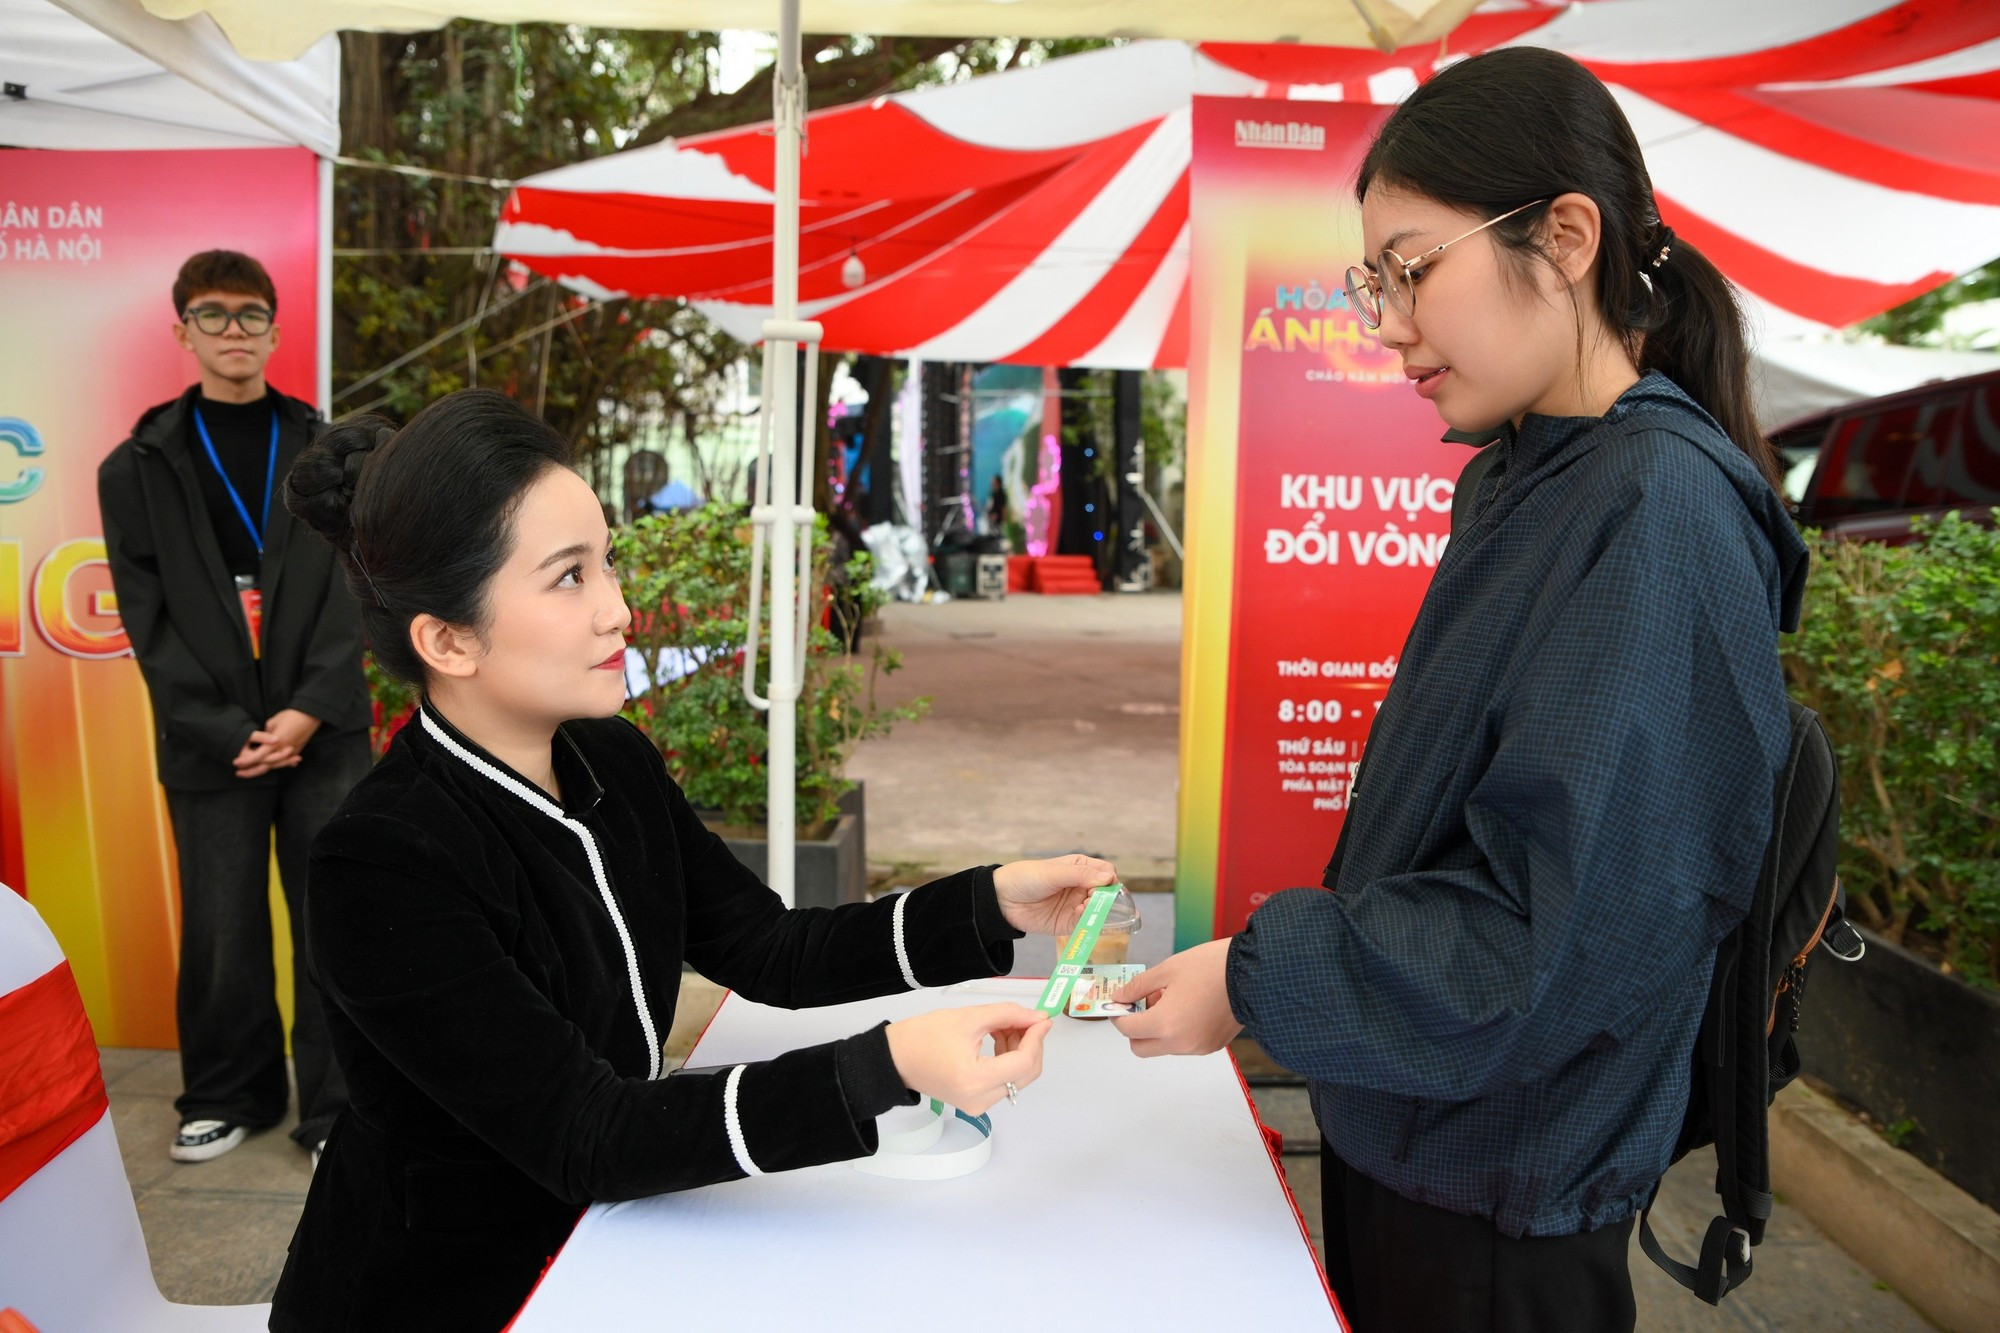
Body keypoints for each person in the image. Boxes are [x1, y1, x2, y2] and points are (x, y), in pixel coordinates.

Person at [1111, 47, 1805, 1333]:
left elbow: (1542, 938)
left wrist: (1257, 977)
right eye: (1371, 282)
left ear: (1566, 236)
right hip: (1418, 1143)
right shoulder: (1524, 470)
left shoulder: (1660, 514)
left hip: (1499, 1209)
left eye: (1413, 271)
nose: (1383, 325)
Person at [270, 387, 1108, 1332]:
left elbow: (770, 949)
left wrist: (992, 903)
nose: (620, 610)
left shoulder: (612, 762)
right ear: (449, 639)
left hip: (619, 1239)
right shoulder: (382, 861)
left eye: (608, 563)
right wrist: (886, 1066)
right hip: (452, 1289)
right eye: (567, 578)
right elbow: (592, 1135)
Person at [98, 250, 367, 1165]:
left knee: (335, 912)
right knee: (221, 925)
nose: (234, 332)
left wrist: (308, 711)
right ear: (183, 331)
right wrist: (223, 728)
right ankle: (224, 1091)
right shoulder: (137, 463)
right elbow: (148, 618)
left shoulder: (329, 449)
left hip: (322, 727)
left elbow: (353, 589)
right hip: (207, 733)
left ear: (277, 331)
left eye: (252, 315)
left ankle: (337, 1105)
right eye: (213, 316)